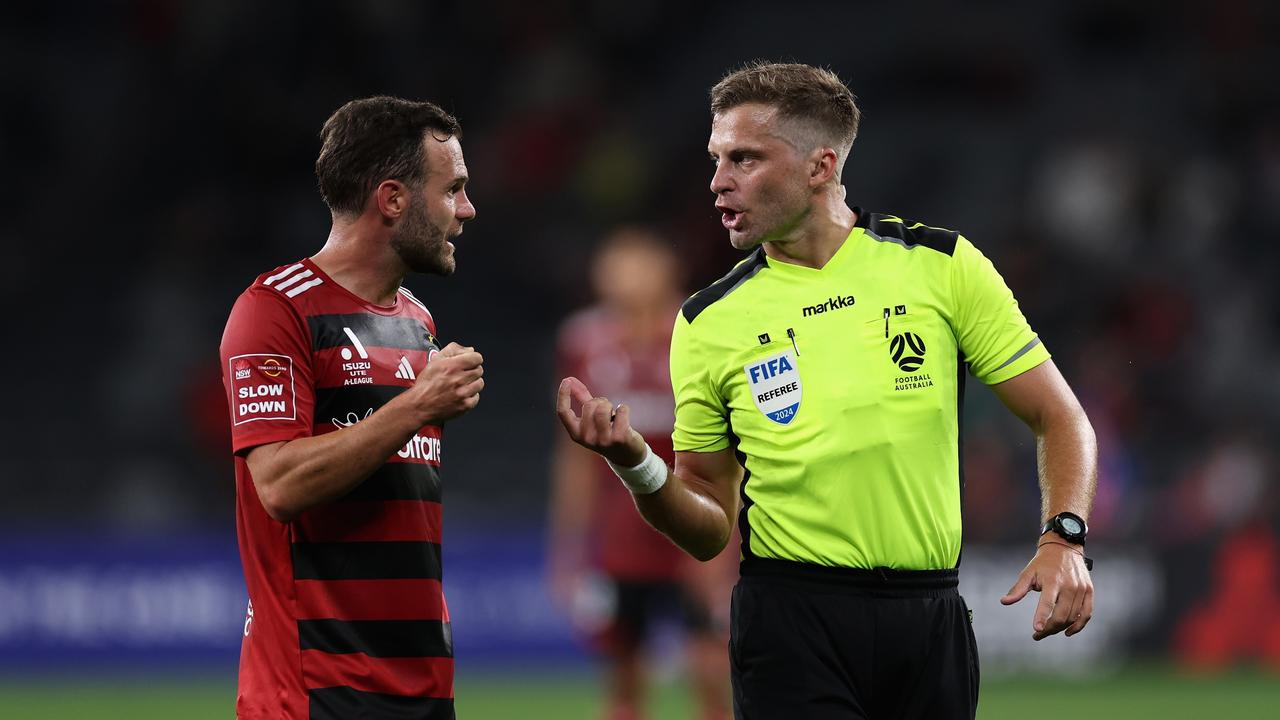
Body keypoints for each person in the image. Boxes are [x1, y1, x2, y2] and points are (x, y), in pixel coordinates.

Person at [555, 62, 1098, 719]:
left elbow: (1060, 415)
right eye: (716, 159)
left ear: (819, 167)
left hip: (930, 620)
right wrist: (638, 465)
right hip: (791, 623)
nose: (718, 181)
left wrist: (1063, 538)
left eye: (745, 159)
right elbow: (706, 524)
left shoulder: (941, 266)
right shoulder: (707, 321)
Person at [219, 96, 482, 720]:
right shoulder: (275, 310)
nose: (467, 211)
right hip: (314, 689)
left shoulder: (417, 322)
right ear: (392, 200)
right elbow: (278, 485)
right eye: (454, 190)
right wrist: (417, 406)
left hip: (421, 685)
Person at [548, 228, 734, 720]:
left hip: (693, 526)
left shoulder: (702, 330)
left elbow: (732, 446)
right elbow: (576, 458)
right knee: (624, 676)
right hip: (621, 539)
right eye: (612, 262)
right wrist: (570, 545)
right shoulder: (583, 341)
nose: (620, 274)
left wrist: (729, 540)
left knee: (711, 668)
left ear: (665, 267)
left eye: (634, 262)